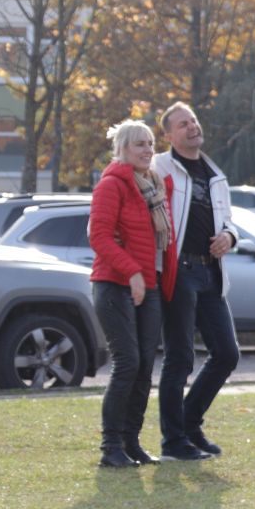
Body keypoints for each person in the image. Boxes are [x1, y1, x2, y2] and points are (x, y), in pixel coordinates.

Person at [151, 102, 239, 462]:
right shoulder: (159, 167)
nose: (192, 127)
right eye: (183, 124)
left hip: (211, 272)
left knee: (227, 354)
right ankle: (173, 442)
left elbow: (229, 221)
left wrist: (229, 237)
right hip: (179, 270)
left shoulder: (215, 175)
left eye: (194, 121)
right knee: (180, 358)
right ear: (168, 135)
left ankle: (189, 423)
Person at [89, 120, 170, 467]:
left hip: (147, 285)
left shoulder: (153, 186)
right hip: (113, 284)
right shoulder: (112, 184)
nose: (148, 150)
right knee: (128, 363)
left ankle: (131, 443)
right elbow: (99, 237)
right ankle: (111, 448)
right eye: (139, 144)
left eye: (150, 143)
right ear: (122, 148)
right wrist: (132, 271)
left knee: (144, 367)